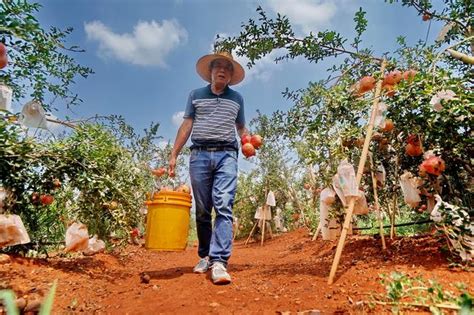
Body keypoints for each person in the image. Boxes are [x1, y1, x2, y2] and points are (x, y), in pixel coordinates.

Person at [168, 51, 248, 285]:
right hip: (199, 155)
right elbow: (186, 125)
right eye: (218, 66)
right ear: (210, 72)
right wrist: (173, 154)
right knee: (203, 210)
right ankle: (205, 255)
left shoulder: (237, 99)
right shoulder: (195, 95)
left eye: (227, 68)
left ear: (231, 75)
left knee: (224, 204)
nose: (222, 70)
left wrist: (248, 141)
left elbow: (241, 127)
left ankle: (220, 261)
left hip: (227, 154)